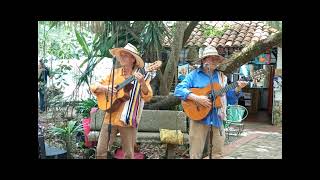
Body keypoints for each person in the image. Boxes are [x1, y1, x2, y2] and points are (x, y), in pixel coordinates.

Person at [174, 46, 247, 159]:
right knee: (195, 153)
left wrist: (237, 89)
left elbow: (228, 98)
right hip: (198, 118)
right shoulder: (193, 75)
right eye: (210, 58)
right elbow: (178, 90)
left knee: (217, 153)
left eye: (215, 58)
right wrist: (197, 98)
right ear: (203, 60)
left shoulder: (221, 77)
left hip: (217, 118)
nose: (213, 61)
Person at [90, 43, 153, 159]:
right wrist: (105, 88)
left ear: (133, 59)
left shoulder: (142, 75)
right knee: (100, 150)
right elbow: (94, 86)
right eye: (121, 55)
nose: (121, 58)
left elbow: (148, 96)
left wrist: (142, 83)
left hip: (127, 119)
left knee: (129, 154)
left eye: (125, 55)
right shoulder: (115, 73)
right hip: (110, 116)